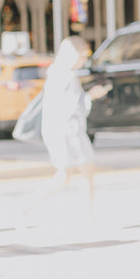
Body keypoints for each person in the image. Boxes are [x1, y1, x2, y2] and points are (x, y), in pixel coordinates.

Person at [26, 36, 104, 220]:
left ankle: (29, 206)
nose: (84, 60)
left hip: (61, 131)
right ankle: (87, 216)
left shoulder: (56, 72)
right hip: (69, 132)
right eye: (82, 56)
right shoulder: (66, 76)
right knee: (79, 174)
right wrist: (91, 96)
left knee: (69, 176)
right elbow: (72, 108)